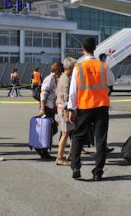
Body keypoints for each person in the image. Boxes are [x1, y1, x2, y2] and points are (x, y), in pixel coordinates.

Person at [68, 37, 114, 181]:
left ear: (83, 49)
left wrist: (71, 108)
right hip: (101, 106)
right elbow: (111, 81)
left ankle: (76, 166)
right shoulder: (103, 66)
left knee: (78, 136)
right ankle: (98, 172)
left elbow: (73, 90)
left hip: (84, 105)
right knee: (100, 139)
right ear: (95, 48)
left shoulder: (78, 67)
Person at [35, 62, 63, 160]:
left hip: (51, 108)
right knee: (50, 129)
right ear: (57, 70)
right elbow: (43, 94)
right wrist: (42, 109)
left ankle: (43, 149)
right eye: (61, 71)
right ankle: (41, 148)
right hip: (46, 107)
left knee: (52, 128)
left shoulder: (55, 79)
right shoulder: (49, 79)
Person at [55, 57, 77, 166]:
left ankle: (70, 155)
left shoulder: (62, 77)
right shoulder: (66, 79)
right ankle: (60, 158)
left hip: (61, 107)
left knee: (69, 133)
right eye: (74, 67)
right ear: (70, 68)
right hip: (65, 109)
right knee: (65, 134)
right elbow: (67, 96)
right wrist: (69, 110)